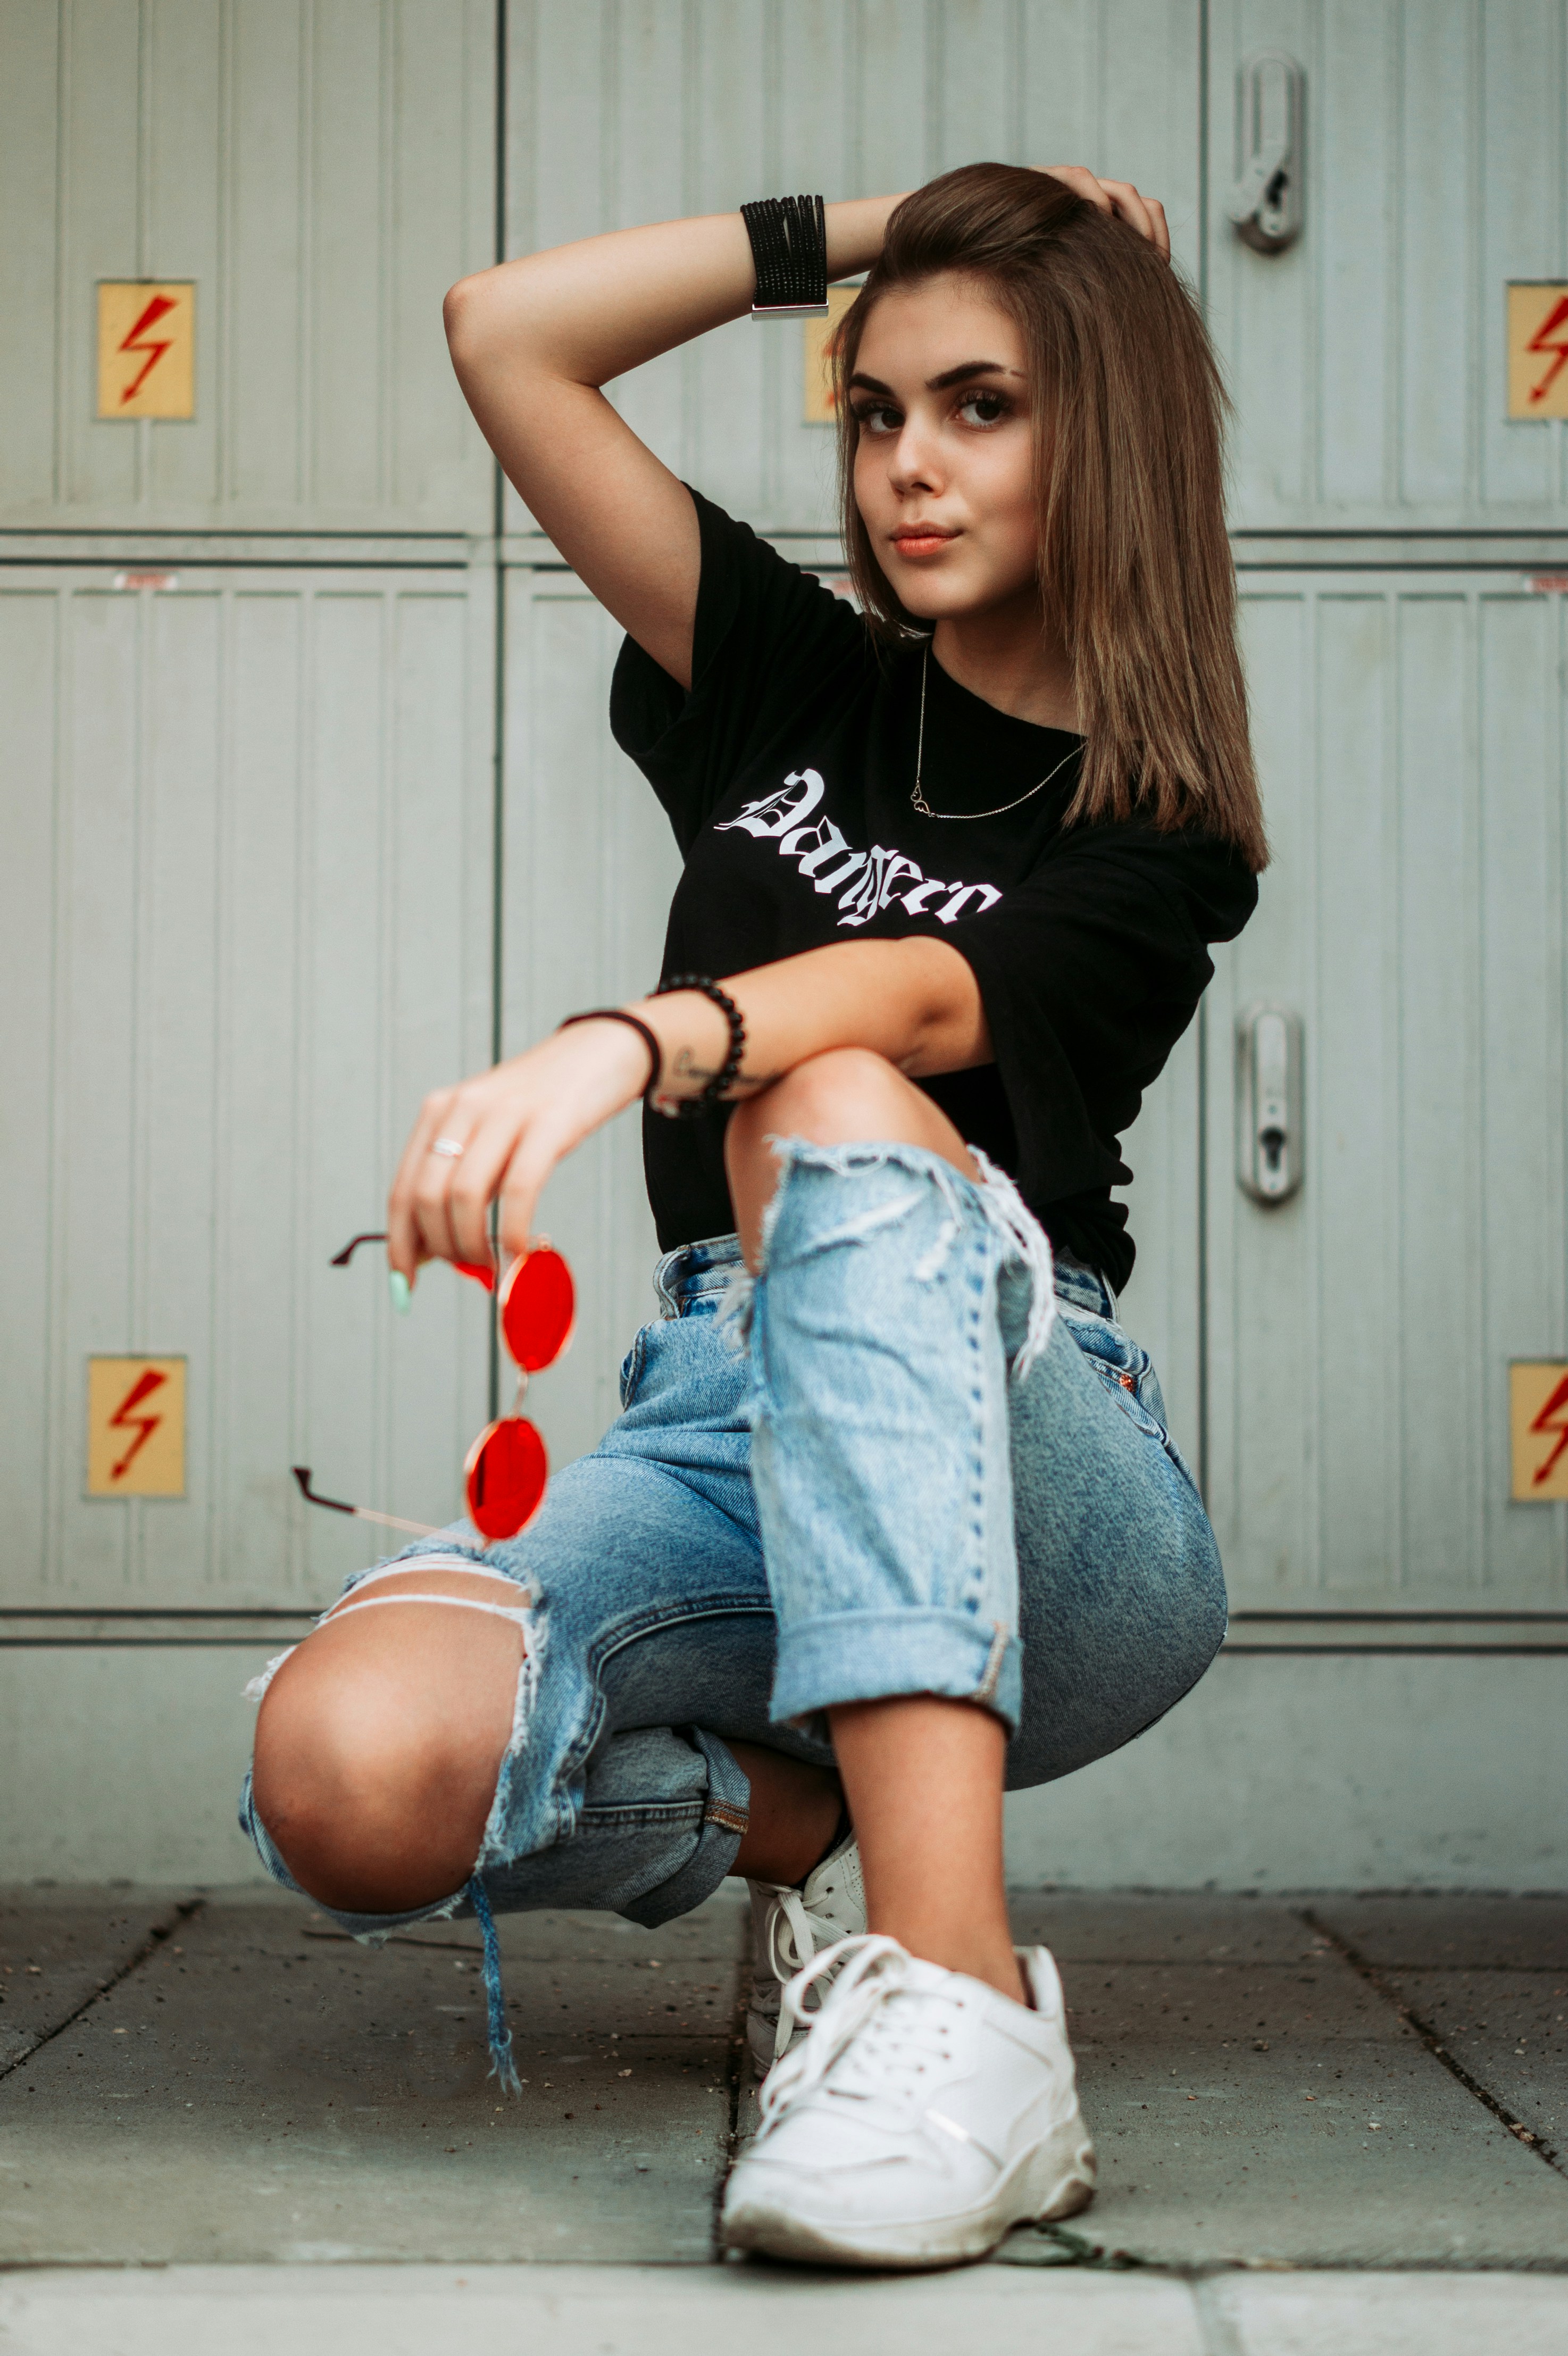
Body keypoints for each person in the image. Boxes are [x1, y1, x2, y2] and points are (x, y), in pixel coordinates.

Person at [243, 162, 1265, 2270]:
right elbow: (505, 329)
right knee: (344, 1776)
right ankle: (784, 1817)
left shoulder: (1159, 825)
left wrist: (633, 1042)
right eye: (875, 410)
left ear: (1112, 431)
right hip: (715, 1422)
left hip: (1029, 1467)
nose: (905, 465)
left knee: (827, 1102)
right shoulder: (791, 677)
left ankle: (964, 2012)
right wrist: (904, 222)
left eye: (980, 405)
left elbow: (910, 1003)